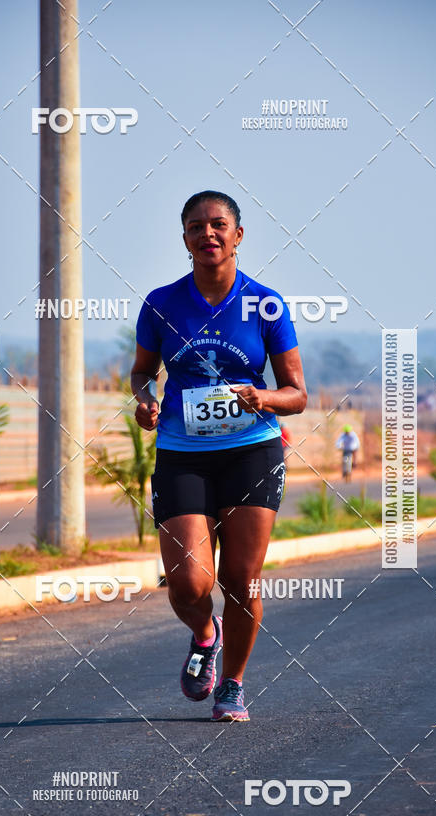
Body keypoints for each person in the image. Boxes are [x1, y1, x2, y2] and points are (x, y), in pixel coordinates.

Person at [131, 190, 307, 722]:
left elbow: (297, 393)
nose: (207, 234)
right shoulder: (161, 304)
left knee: (241, 579)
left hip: (251, 450)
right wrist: (145, 398)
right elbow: (141, 371)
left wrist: (263, 397)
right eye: (195, 227)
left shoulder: (266, 304)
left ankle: (233, 684)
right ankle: (206, 636)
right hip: (183, 453)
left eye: (218, 225)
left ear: (238, 235)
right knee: (189, 583)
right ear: (183, 238)